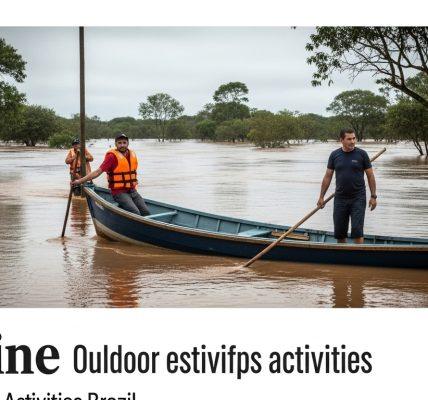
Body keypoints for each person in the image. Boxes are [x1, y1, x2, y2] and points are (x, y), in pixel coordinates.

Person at [317, 128, 377, 244]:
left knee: (357, 231)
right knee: (340, 232)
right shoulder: (334, 155)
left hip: (358, 198)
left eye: (354, 138)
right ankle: (342, 257)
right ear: (341, 140)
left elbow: (370, 176)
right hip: (340, 198)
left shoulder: (362, 154)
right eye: (349, 139)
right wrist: (321, 197)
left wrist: (373, 196)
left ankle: (358, 257)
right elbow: (328, 176)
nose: (352, 141)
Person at [71, 133, 150, 216]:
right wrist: (79, 181)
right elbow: (98, 172)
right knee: (135, 213)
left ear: (128, 143)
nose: (122, 145)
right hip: (119, 192)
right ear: (115, 144)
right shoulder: (112, 157)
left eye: (124, 142)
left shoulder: (132, 154)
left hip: (132, 191)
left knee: (146, 212)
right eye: (119, 143)